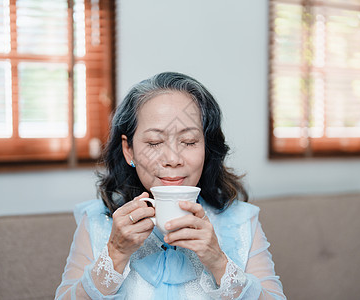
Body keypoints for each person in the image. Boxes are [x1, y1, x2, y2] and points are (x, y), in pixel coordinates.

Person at [55, 72, 286, 299]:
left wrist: (218, 261)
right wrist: (115, 253)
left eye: (189, 141)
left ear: (207, 148)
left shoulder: (241, 222)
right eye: (154, 143)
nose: (173, 158)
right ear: (129, 150)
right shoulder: (97, 221)